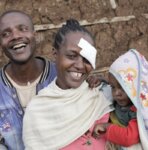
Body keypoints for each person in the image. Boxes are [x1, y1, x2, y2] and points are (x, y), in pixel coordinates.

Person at [23, 19, 114, 150]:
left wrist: (107, 82)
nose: (80, 65)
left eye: (86, 59)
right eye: (72, 56)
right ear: (55, 54)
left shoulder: (101, 94)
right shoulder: (38, 109)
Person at [0, 10, 57, 150]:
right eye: (6, 34)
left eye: (23, 29)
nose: (16, 36)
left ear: (34, 35)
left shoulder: (61, 76)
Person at [93, 49, 148, 150]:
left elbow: (129, 137)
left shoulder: (137, 111)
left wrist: (107, 127)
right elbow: (113, 83)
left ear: (136, 88)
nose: (116, 93)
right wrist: (100, 80)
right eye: (113, 87)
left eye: (122, 88)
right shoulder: (124, 98)